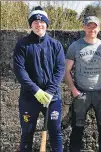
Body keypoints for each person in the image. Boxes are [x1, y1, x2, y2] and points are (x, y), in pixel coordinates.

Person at [13, 6, 65, 152]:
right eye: (35, 21)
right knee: (27, 134)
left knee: (55, 133)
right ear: (31, 24)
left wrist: (49, 91)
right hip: (29, 97)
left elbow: (60, 69)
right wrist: (36, 90)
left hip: (52, 98)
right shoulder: (22, 45)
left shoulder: (56, 45)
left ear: (47, 24)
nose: (38, 24)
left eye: (42, 22)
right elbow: (20, 70)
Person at [66, 16, 101, 152]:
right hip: (82, 93)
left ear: (99, 28)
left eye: (95, 26)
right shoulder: (75, 46)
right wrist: (74, 91)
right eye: (89, 26)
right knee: (77, 128)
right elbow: (67, 70)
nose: (92, 29)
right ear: (84, 27)